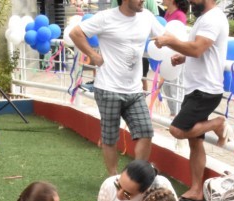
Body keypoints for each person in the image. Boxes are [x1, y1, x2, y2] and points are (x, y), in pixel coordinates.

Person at [69, 0, 164, 176]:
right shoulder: (106, 17)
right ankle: (113, 178)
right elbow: (76, 33)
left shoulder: (147, 17)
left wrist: (176, 51)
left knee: (146, 132)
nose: (143, 0)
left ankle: (137, 178)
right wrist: (92, 55)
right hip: (108, 88)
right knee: (110, 138)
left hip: (135, 90)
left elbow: (164, 37)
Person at [151, 0, 228, 201]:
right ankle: (196, 190)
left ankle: (217, 124)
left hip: (205, 90)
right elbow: (202, 51)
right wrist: (183, 57)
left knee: (177, 130)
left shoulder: (213, 18)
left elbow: (197, 49)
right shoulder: (205, 18)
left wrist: (169, 41)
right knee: (195, 141)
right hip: (196, 88)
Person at [161, 0, 189, 116]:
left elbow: (179, 35)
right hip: (166, 54)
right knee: (167, 87)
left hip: (176, 54)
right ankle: (173, 113)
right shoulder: (167, 13)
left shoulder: (179, 15)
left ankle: (178, 114)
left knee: (176, 87)